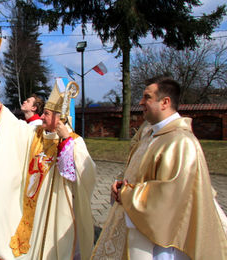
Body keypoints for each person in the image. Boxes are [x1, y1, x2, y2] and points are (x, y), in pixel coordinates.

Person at [91, 76, 227, 260]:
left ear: (165, 102)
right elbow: (138, 171)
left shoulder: (181, 142)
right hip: (137, 225)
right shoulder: (150, 134)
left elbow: (169, 196)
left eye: (147, 97)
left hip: (160, 239)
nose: (141, 102)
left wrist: (127, 193)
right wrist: (121, 184)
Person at [0, 83, 97, 260]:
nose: (42, 117)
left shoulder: (74, 141)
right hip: (33, 201)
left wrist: (65, 141)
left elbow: (86, 172)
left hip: (57, 207)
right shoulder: (37, 132)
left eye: (47, 114)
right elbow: (14, 127)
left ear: (59, 118)